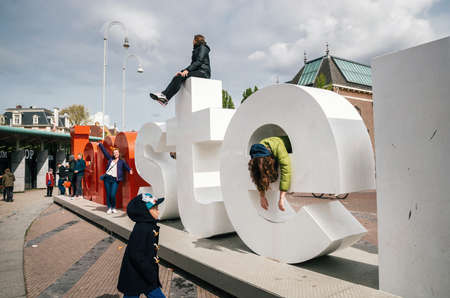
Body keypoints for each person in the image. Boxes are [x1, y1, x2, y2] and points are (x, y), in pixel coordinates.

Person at [117, 193, 165, 298]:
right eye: (155, 209)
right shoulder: (142, 229)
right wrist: (150, 272)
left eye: (157, 208)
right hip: (136, 273)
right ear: (145, 212)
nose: (158, 211)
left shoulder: (148, 225)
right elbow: (136, 254)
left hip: (142, 273)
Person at [150, 34, 211, 106]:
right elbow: (193, 64)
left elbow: (199, 61)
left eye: (193, 40)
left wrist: (187, 70)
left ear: (195, 40)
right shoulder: (196, 50)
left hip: (203, 72)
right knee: (179, 75)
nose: (192, 42)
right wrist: (182, 71)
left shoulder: (203, 48)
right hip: (198, 71)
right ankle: (164, 98)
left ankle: (164, 96)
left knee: (181, 76)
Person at [248, 136, 292, 211]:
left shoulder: (278, 146)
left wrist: (281, 197)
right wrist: (262, 196)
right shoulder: (257, 153)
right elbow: (258, 175)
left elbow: (286, 170)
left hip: (289, 145)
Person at [98, 143, 133, 214]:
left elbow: (126, 166)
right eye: (114, 153)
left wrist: (129, 170)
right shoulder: (110, 159)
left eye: (116, 152)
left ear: (119, 153)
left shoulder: (121, 161)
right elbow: (105, 152)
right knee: (108, 194)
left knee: (112, 194)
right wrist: (100, 145)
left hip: (115, 180)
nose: (115, 154)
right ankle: (109, 208)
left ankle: (113, 207)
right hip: (107, 178)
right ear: (113, 154)